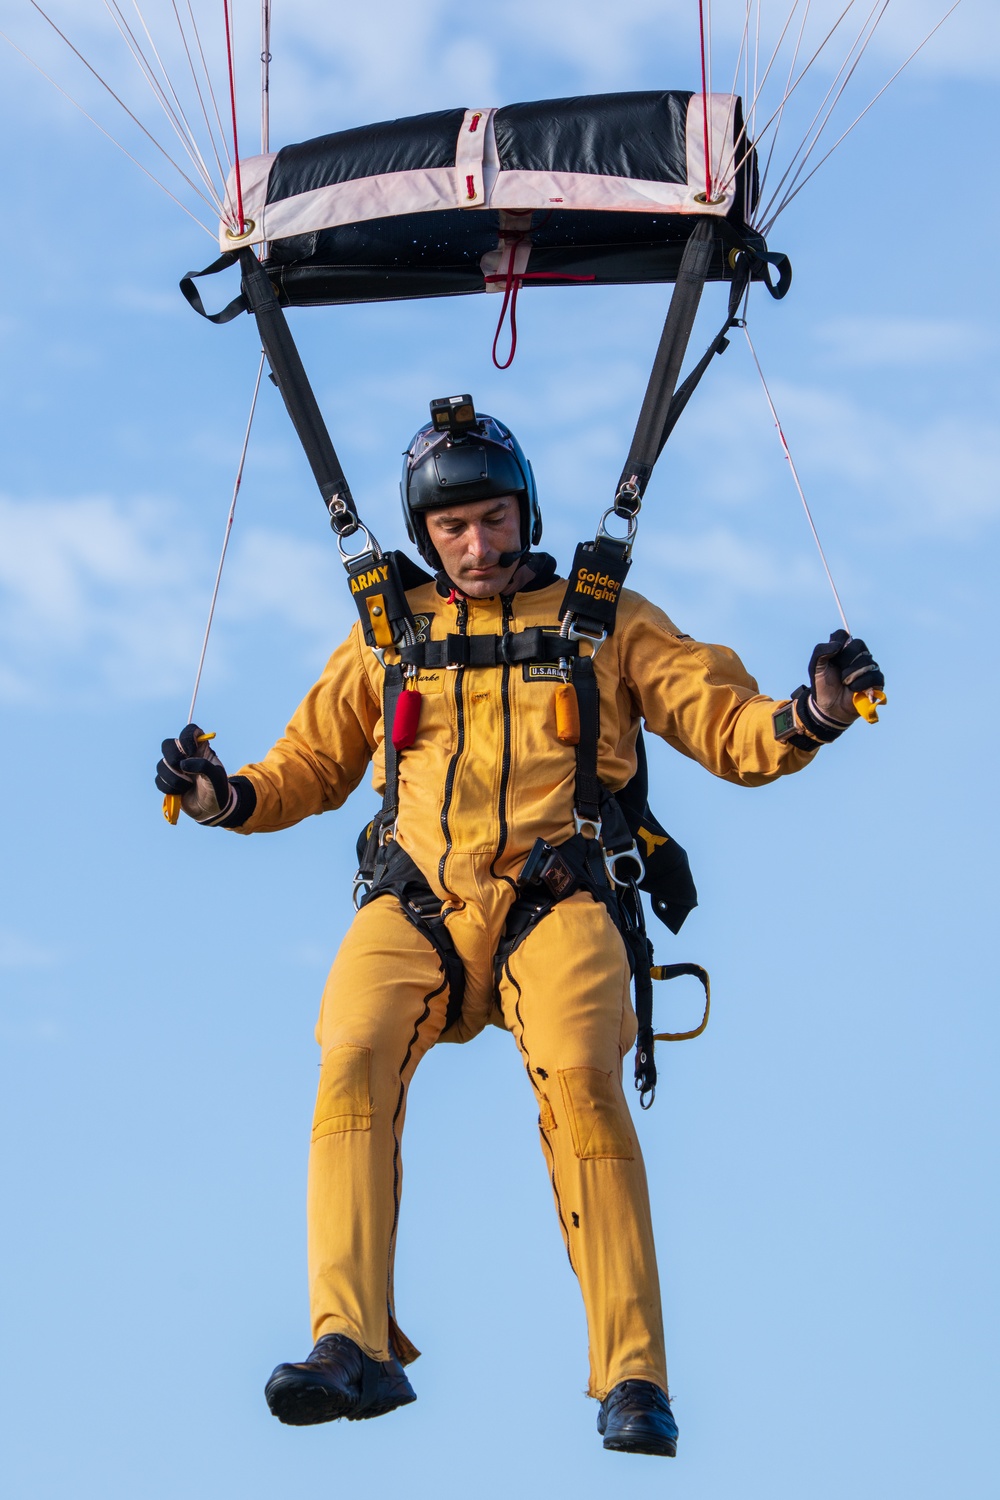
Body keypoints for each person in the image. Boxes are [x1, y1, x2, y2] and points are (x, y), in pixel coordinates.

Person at [156, 403, 883, 1457]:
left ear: (523, 510)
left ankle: (632, 1373)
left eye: (493, 521)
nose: (478, 547)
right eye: (453, 530)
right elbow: (304, 768)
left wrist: (805, 715)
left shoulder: (607, 621)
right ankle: (347, 1341)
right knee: (349, 1055)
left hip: (558, 898)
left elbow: (726, 727)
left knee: (584, 1079)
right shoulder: (389, 638)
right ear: (425, 535)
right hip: (416, 902)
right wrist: (225, 796)